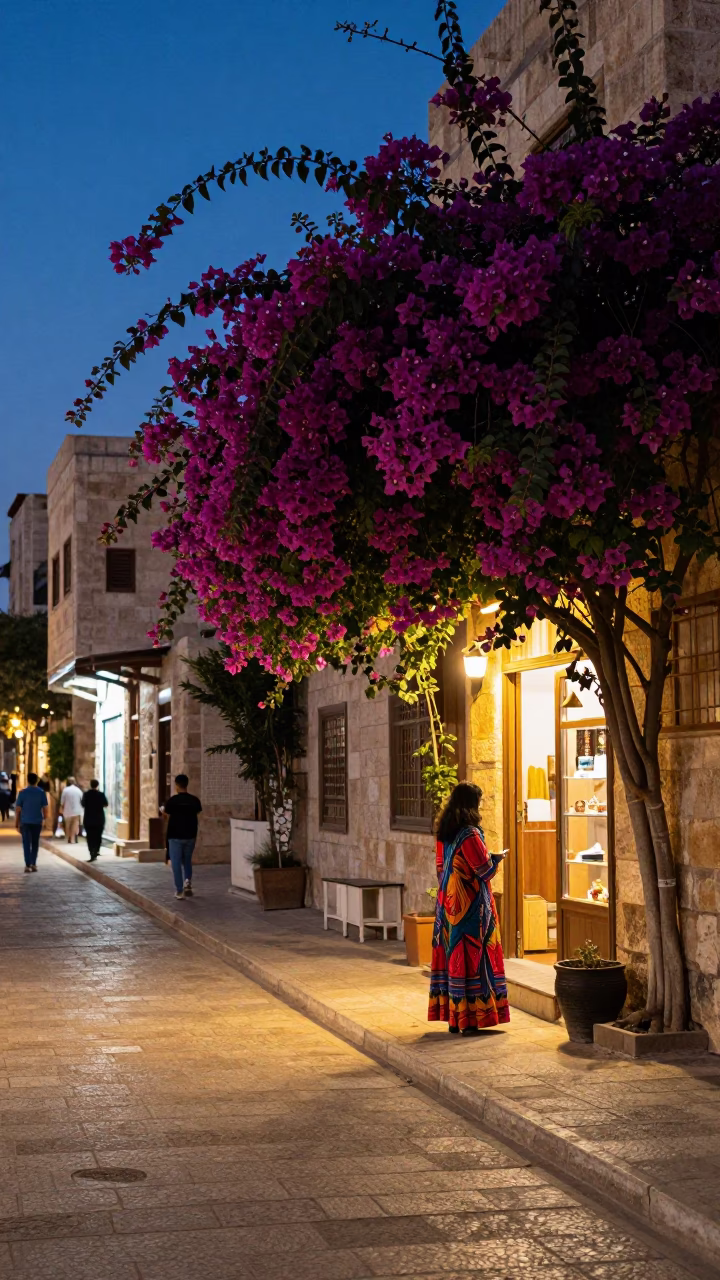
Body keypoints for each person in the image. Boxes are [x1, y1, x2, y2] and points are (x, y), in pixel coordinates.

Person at [428, 782, 510, 1035]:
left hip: (448, 904)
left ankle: (456, 1018)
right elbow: (483, 870)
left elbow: (441, 866)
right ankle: (473, 1018)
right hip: (471, 907)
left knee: (455, 955)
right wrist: (497, 859)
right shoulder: (471, 834)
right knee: (474, 957)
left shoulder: (446, 832)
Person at [161, 773, 202, 900]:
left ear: (177, 785)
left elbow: (166, 814)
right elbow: (198, 813)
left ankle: (179, 890)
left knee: (176, 863)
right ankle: (187, 882)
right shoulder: (194, 800)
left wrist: (163, 812)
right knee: (187, 860)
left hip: (175, 836)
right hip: (190, 835)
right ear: (187, 784)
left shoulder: (172, 801)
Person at [15, 771, 48, 872]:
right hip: (37, 822)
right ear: (37, 781)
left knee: (26, 843)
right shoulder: (41, 792)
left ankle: (27, 865)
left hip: (25, 822)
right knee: (35, 843)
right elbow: (45, 808)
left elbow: (18, 809)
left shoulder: (22, 793)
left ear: (27, 780)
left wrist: (16, 822)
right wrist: (45, 819)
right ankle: (34, 863)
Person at [81, 779, 108, 861]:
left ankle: (91, 852)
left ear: (90, 785)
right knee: (98, 836)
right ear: (97, 785)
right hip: (99, 819)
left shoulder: (86, 794)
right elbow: (106, 804)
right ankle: (96, 851)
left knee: (90, 837)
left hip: (88, 819)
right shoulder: (101, 794)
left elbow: (82, 804)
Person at [59, 776, 83, 843]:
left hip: (67, 811)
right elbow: (82, 801)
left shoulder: (65, 790)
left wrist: (61, 810)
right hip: (77, 811)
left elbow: (62, 802)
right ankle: (72, 839)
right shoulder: (78, 790)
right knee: (74, 825)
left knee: (68, 825)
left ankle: (68, 838)